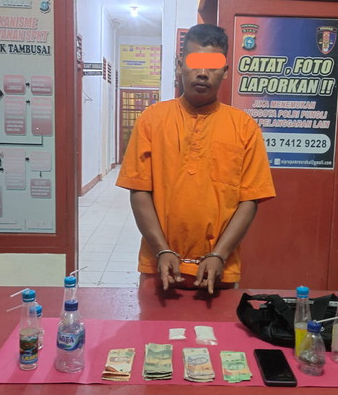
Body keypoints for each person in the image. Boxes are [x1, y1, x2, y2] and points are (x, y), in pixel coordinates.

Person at [116, 24, 275, 294]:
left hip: (219, 269)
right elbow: (139, 190)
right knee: (153, 323)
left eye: (212, 66)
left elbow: (249, 200)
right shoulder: (152, 120)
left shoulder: (244, 127)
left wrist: (219, 255)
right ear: (180, 66)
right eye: (194, 63)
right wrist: (161, 250)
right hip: (159, 266)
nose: (202, 73)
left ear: (225, 71)